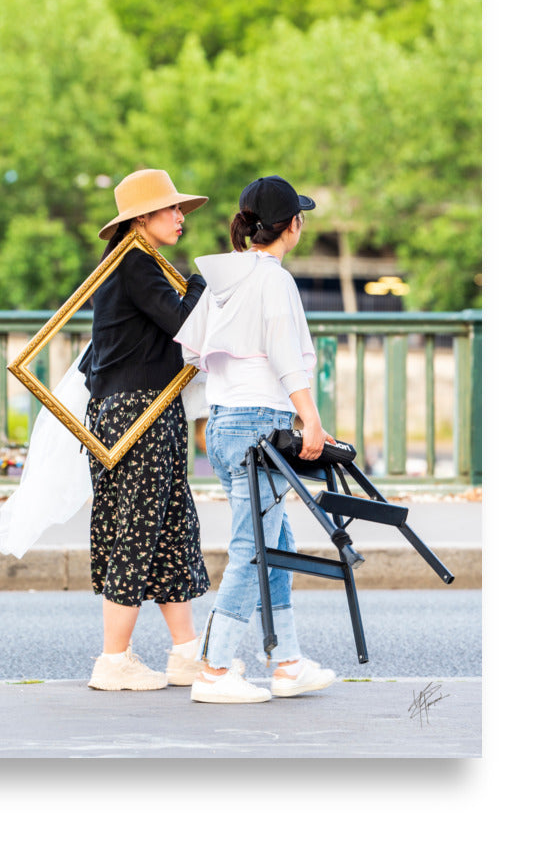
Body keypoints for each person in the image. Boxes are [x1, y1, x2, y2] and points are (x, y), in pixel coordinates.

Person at [175, 175, 338, 704]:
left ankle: (287, 662)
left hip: (222, 423)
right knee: (254, 544)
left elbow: (193, 353)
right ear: (293, 225)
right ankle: (215, 668)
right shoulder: (273, 280)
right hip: (257, 425)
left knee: (276, 539)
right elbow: (287, 357)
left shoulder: (225, 278)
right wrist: (309, 420)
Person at [80, 168, 211, 691]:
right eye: (171, 209)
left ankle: (185, 653)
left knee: (169, 528)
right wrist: (205, 283)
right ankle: (114, 660)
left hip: (139, 410)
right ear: (142, 219)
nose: (181, 217)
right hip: (140, 413)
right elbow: (184, 322)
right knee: (138, 529)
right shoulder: (135, 262)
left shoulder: (129, 264)